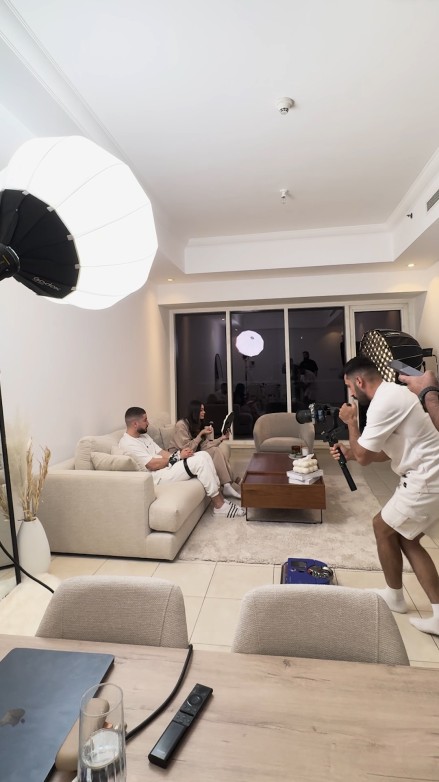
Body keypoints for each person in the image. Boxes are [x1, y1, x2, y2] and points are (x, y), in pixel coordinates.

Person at [330, 355, 439, 636]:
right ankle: (402, 599)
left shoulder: (384, 402)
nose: (350, 394)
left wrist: (351, 423)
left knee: (382, 526)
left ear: (358, 381)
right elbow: (381, 453)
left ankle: (396, 597)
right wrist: (350, 453)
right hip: (426, 474)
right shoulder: (392, 395)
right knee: (405, 537)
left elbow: (365, 458)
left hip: (427, 477)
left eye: (349, 387)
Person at [119, 407, 245, 518]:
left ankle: (221, 498)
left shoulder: (143, 436)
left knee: (204, 455)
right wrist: (178, 457)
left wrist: (180, 455)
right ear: (135, 423)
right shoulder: (128, 443)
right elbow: (152, 464)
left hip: (166, 467)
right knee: (200, 461)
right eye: (145, 420)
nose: (148, 423)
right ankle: (219, 506)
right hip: (157, 476)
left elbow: (161, 452)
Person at [169, 401, 241, 499]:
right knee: (215, 451)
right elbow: (187, 448)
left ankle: (229, 484)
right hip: (180, 457)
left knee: (216, 450)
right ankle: (233, 482)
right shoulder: (181, 425)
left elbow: (205, 445)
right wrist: (200, 434)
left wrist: (221, 438)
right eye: (201, 410)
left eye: (203, 410)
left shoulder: (196, 423)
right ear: (195, 411)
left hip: (192, 452)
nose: (204, 412)